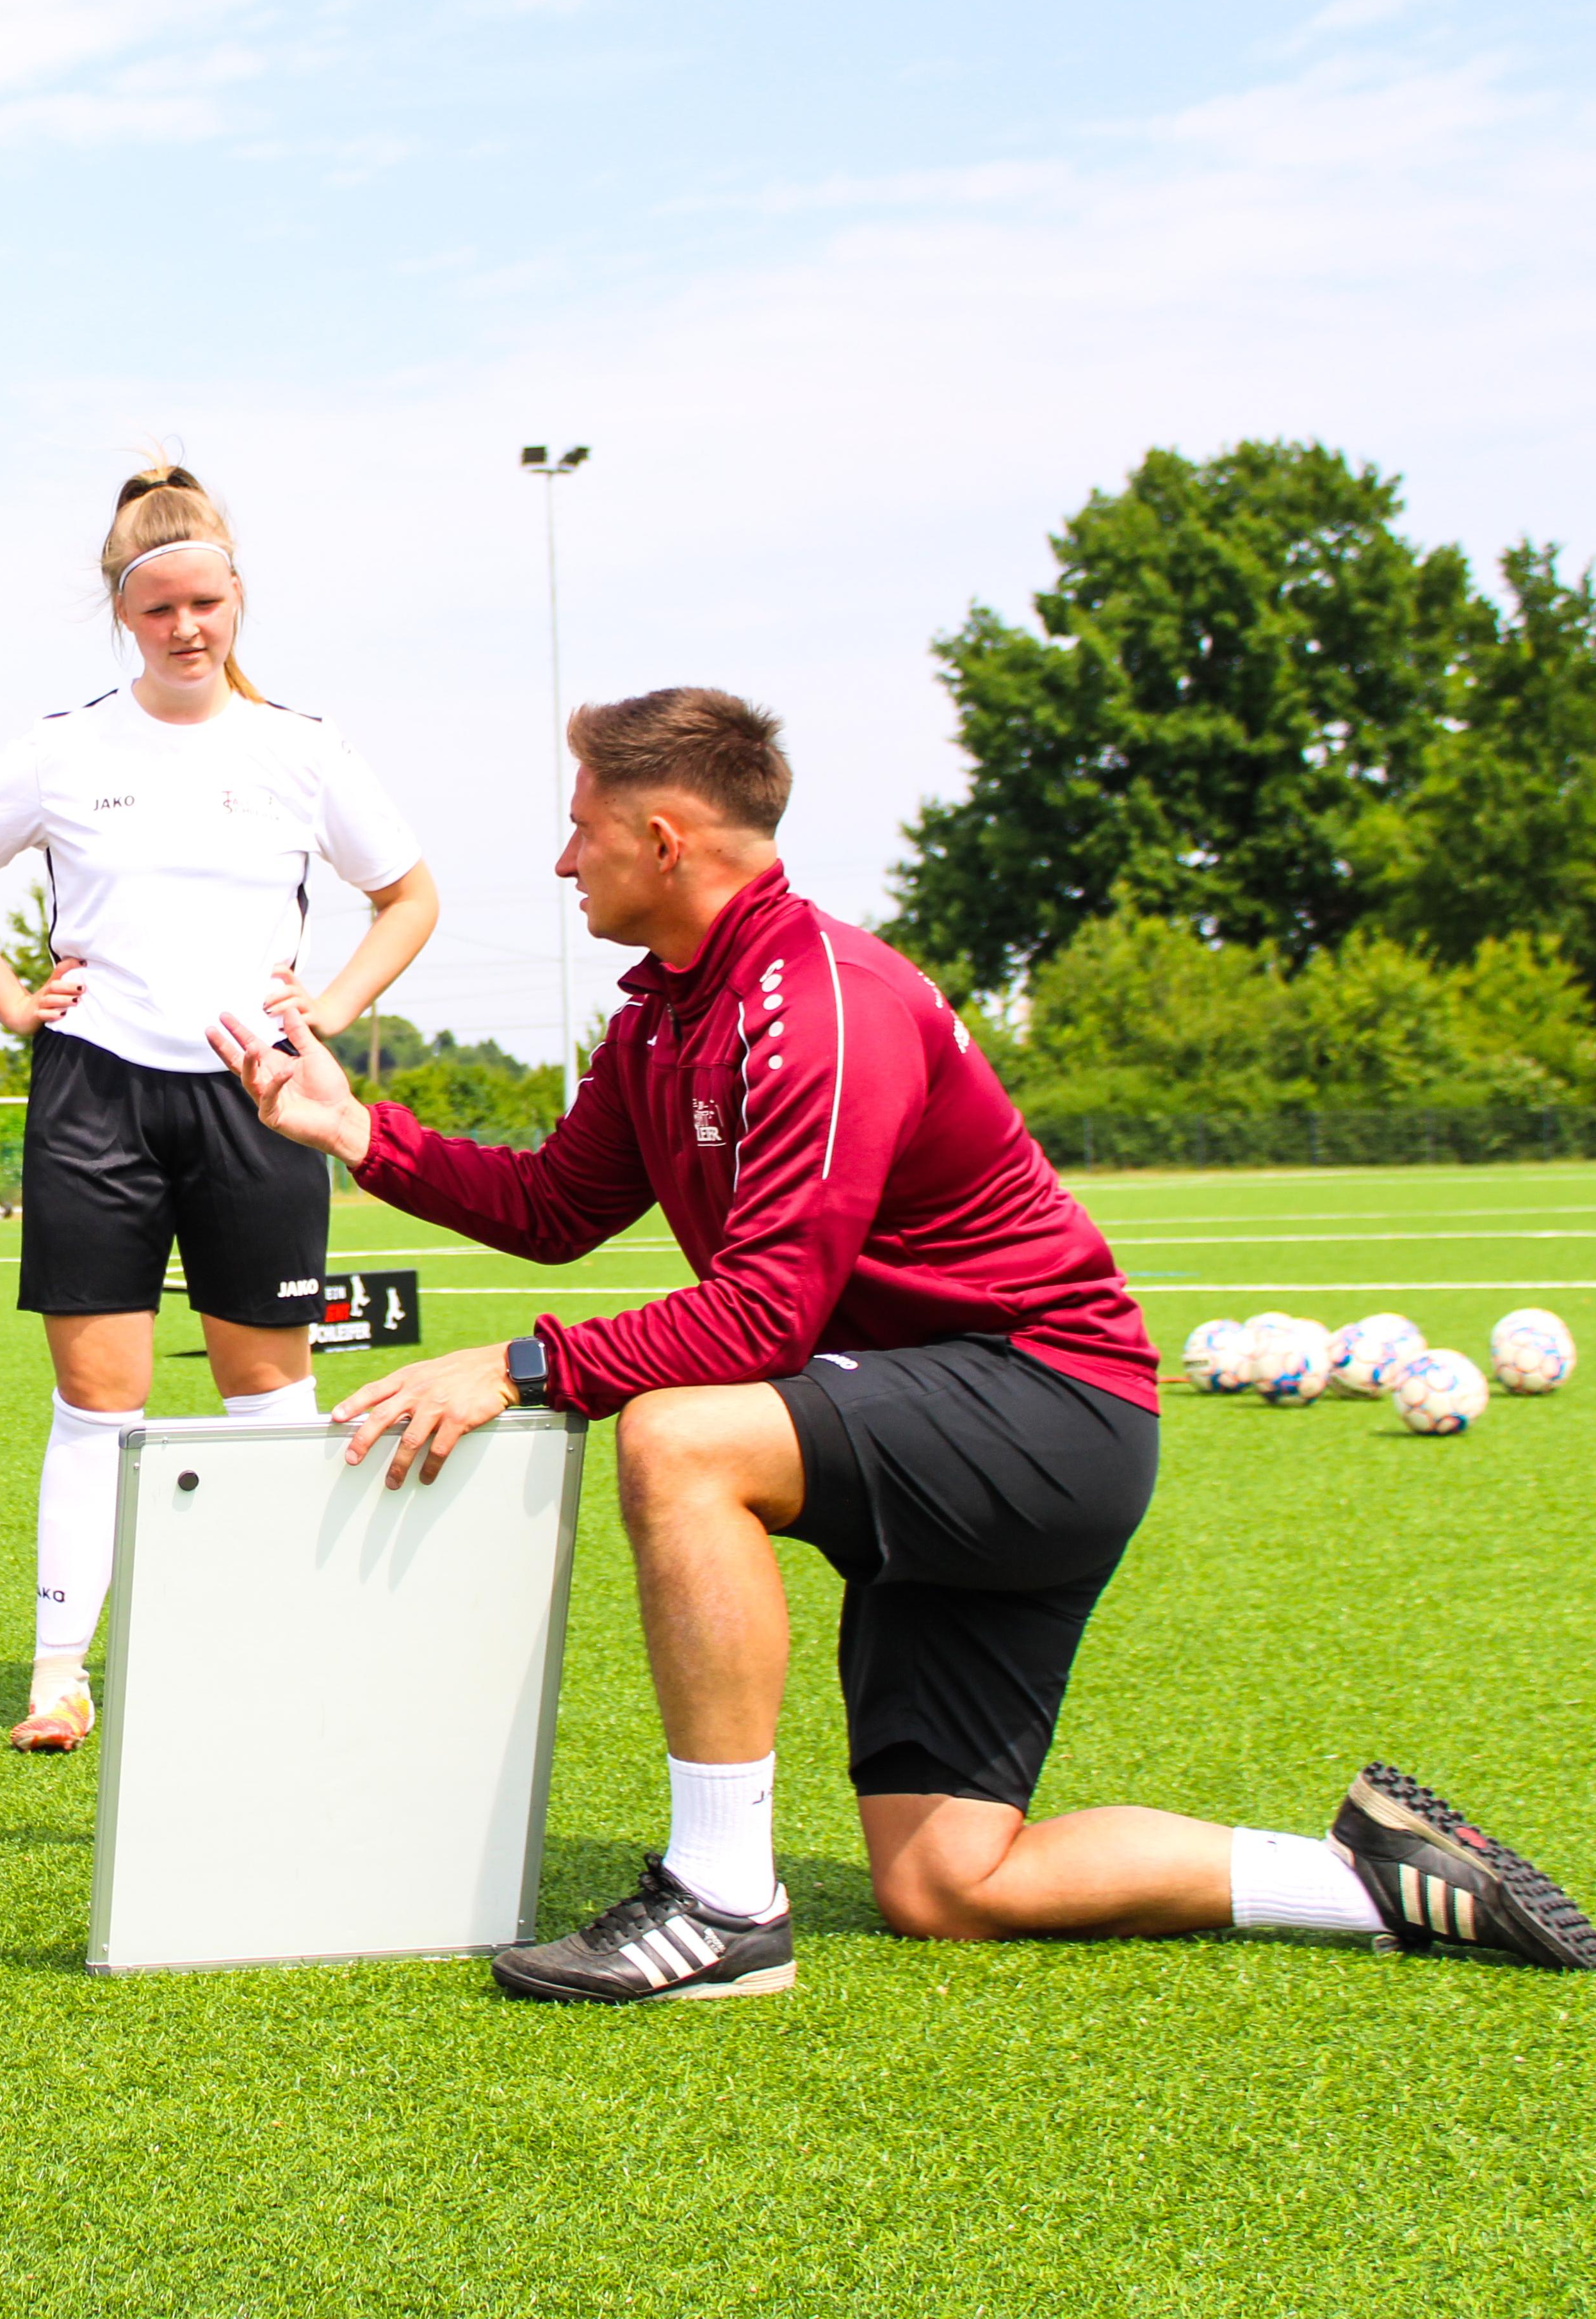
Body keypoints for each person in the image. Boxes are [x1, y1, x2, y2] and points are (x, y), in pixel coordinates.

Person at [211, 685, 1596, 1999]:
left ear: (661, 838)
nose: (560, 856)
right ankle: (1367, 1879)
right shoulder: (663, 1016)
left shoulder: (817, 998)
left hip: (1043, 1408)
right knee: (948, 1878)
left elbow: (764, 1315)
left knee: (680, 1434)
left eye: (579, 825)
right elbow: (558, 1206)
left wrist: (516, 1367)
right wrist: (353, 1131)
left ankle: (719, 1902)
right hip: (926, 1416)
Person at [0, 462, 438, 1751]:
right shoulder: (64, 747)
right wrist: (11, 1001)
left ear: (238, 596)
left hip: (257, 1101)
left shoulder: (300, 749)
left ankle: (279, 1643)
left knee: (267, 1393)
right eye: (158, 611)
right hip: (95, 1099)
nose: (185, 628)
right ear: (121, 614)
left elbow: (408, 894)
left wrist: (325, 1008)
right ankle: (57, 1674)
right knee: (99, 1403)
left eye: (206, 602)